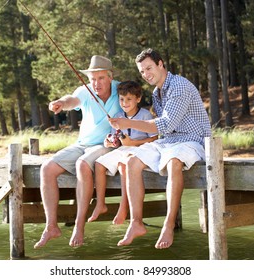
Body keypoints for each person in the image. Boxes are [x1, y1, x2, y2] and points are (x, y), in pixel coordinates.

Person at [109, 48, 212, 249]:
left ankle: (169, 224)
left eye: (149, 68)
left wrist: (126, 123)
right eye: (142, 72)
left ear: (160, 64)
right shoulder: (157, 92)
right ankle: (136, 222)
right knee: (131, 160)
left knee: (173, 162)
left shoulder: (179, 85)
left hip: (194, 140)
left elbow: (165, 124)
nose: (146, 74)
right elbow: (165, 131)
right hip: (170, 141)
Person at [34, 55, 122, 248]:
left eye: (100, 78)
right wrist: (60, 103)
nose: (96, 83)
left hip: (106, 145)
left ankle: (79, 226)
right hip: (83, 143)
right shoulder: (85, 90)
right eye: (92, 79)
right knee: (47, 168)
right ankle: (51, 226)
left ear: (110, 76)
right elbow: (71, 100)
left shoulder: (120, 89)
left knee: (82, 163)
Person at [88, 81, 158, 225]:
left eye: (129, 99)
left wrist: (133, 143)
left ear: (138, 99)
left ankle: (123, 207)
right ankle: (101, 203)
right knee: (99, 164)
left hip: (141, 149)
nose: (124, 103)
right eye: (121, 99)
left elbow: (155, 138)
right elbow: (117, 138)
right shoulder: (118, 116)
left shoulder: (145, 115)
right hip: (123, 149)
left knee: (123, 165)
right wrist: (110, 141)